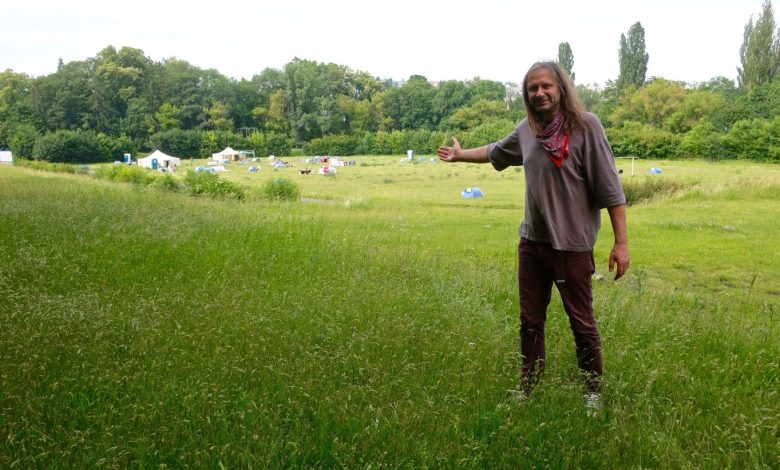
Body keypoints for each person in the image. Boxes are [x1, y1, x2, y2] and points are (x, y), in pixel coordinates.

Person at [437, 61, 630, 410]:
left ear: (560, 89)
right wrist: (460, 155)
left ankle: (593, 392)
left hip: (572, 245)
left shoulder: (586, 126)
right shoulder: (527, 130)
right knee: (530, 322)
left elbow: (611, 188)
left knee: (581, 322)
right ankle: (529, 388)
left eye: (546, 86)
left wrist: (621, 243)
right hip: (532, 243)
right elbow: (496, 151)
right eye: (532, 88)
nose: (539, 93)